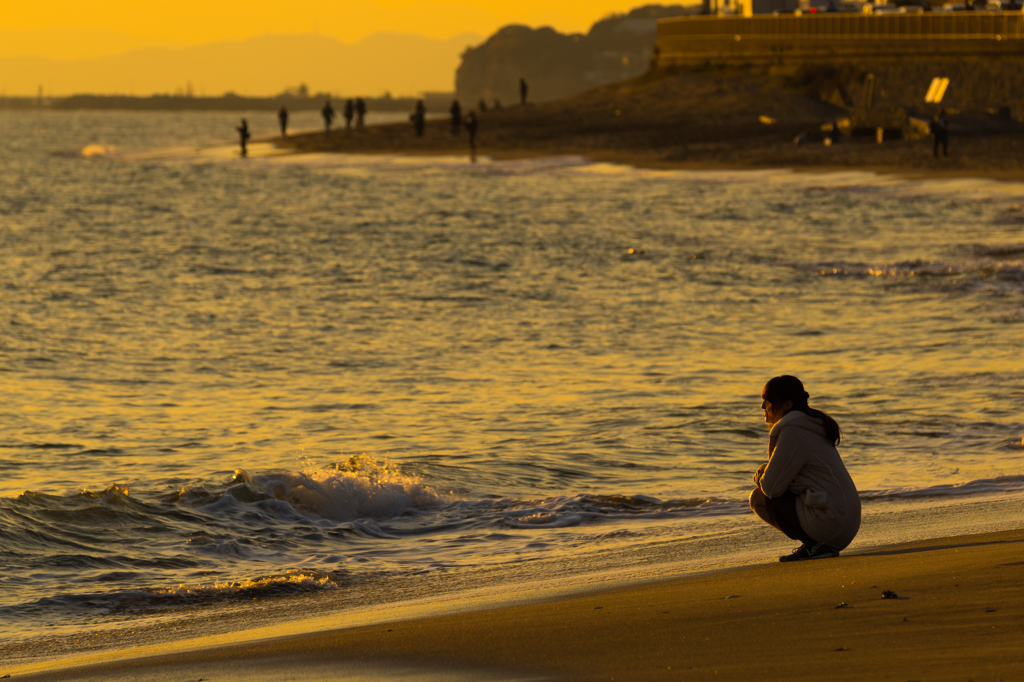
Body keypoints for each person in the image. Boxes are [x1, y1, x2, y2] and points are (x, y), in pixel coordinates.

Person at [749, 375, 860, 562]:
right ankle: (817, 546)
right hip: (844, 518)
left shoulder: (794, 430)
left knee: (758, 497)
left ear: (787, 405)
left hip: (832, 520)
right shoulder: (809, 424)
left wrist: (761, 472)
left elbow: (771, 488)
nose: (763, 407)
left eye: (767, 402)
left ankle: (816, 545)